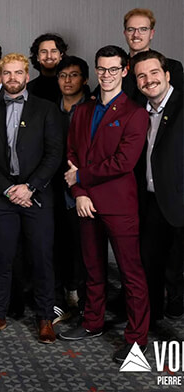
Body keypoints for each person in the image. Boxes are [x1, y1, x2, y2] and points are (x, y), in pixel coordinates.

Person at [59, 45, 150, 364]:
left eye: (113, 69)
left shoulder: (135, 114)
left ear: (124, 71)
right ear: (95, 71)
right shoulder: (82, 110)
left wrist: (81, 176)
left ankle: (137, 339)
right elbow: (71, 155)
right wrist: (79, 192)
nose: (106, 75)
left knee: (130, 273)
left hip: (119, 205)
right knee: (93, 268)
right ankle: (92, 322)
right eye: (101, 69)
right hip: (86, 202)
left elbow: (124, 162)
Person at [0, 53, 62, 344]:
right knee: (1, 257)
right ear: (1, 76)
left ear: (27, 75)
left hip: (37, 196)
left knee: (42, 257)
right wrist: (9, 189)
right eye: (7, 73)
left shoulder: (47, 110)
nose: (12, 78)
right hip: (2, 198)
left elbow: (54, 154)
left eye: (18, 73)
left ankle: (45, 317)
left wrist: (30, 187)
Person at [132, 50, 184, 323]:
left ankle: (175, 306)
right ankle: (152, 319)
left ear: (167, 75)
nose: (148, 80)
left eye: (154, 73)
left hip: (180, 199)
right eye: (141, 76)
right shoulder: (139, 110)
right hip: (151, 200)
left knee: (178, 267)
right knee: (150, 262)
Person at [54, 56, 90, 312]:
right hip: (52, 185)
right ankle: (63, 292)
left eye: (74, 75)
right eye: (63, 75)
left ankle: (83, 297)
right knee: (57, 242)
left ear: (84, 80)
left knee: (83, 245)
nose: (68, 80)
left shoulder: (94, 109)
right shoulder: (48, 109)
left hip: (83, 186)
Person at [122, 8, 183, 99]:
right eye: (131, 29)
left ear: (151, 33)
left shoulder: (172, 67)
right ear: (125, 33)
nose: (136, 35)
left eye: (143, 29)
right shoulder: (116, 69)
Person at [27, 33, 69, 103]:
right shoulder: (28, 89)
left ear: (61, 55)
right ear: (37, 57)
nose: (49, 56)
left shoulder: (71, 86)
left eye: (54, 51)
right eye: (44, 52)